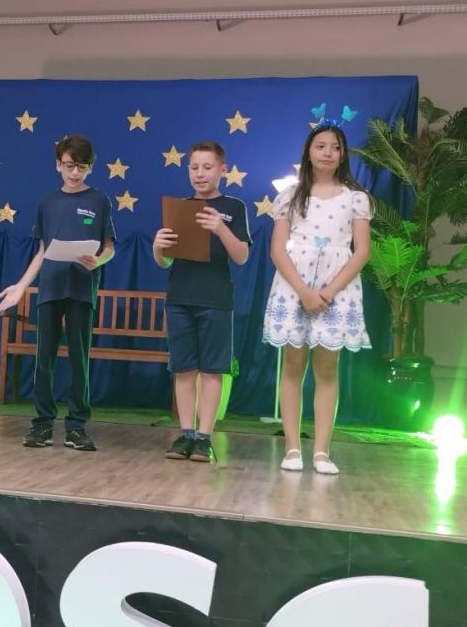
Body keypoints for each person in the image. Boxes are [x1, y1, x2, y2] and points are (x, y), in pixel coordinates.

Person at [263, 124, 372, 475]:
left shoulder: (355, 198)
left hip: (337, 291)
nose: (327, 152)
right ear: (308, 152)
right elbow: (278, 251)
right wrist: (305, 292)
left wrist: (327, 292)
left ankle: (322, 452)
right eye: (320, 146)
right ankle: (292, 447)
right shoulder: (291, 195)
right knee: (293, 366)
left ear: (343, 155)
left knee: (327, 369)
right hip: (295, 286)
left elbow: (362, 252)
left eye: (335, 147)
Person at [0, 135, 115, 451]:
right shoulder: (47, 203)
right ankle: (43, 423)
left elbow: (109, 247)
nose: (74, 172)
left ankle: (76, 426)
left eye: (81, 167)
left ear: (90, 168)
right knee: (44, 358)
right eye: (69, 165)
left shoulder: (99, 200)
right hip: (51, 288)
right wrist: (21, 286)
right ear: (58, 165)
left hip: (81, 289)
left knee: (79, 358)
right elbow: (42, 251)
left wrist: (98, 260)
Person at [153, 141, 251, 463]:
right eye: (194, 167)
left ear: (222, 169)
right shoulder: (179, 207)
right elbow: (165, 262)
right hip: (180, 297)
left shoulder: (233, 206)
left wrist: (220, 228)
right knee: (183, 368)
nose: (200, 173)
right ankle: (185, 433)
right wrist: (158, 246)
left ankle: (204, 436)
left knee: (212, 370)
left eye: (207, 167)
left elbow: (241, 256)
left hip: (216, 299)